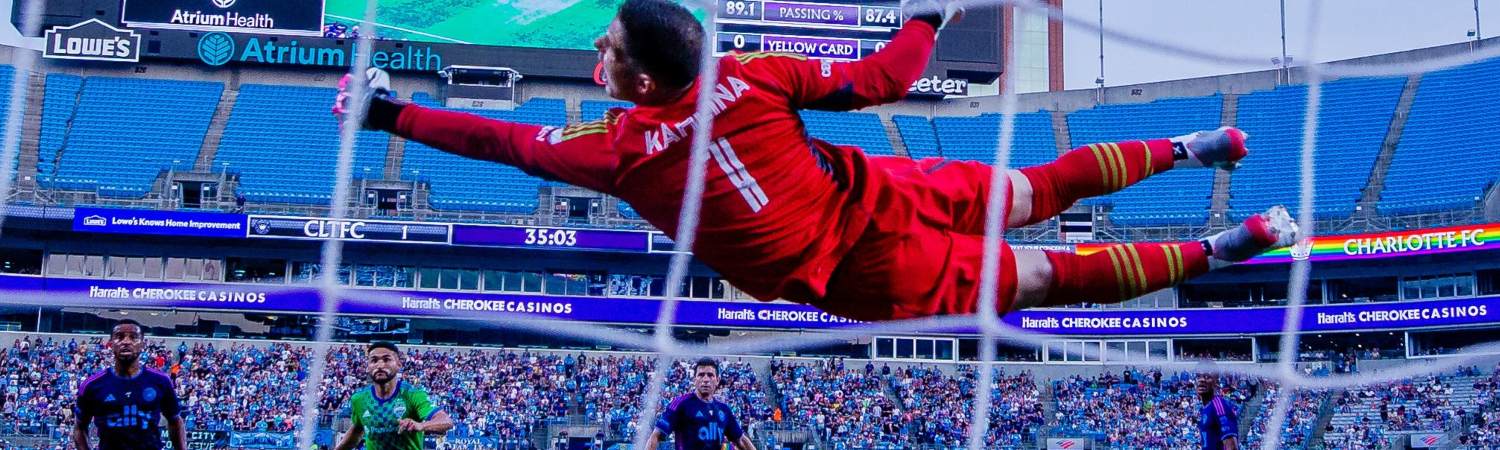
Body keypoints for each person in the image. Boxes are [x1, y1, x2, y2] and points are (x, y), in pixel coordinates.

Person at [334, 0, 1297, 322]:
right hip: (874, 193)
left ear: (638, 79)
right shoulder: (754, 73)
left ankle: (1212, 232)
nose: (596, 61)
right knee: (1030, 194)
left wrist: (385, 112)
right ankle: (1198, 172)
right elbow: (883, 79)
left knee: (1045, 267)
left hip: (858, 266)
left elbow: (502, 142)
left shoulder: (618, 151)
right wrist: (927, 17)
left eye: (608, 54)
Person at [73, 320, 187, 450]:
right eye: (119, 337)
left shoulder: (160, 381)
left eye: (133, 337)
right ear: (110, 344)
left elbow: (175, 421)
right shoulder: (92, 385)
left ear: (142, 344)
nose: (126, 341)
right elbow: (79, 428)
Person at [334, 342, 454, 450]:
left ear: (399, 365)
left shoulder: (412, 394)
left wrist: (420, 425)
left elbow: (446, 421)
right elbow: (357, 430)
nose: (380, 365)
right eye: (374, 360)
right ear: (368, 367)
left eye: (386, 359)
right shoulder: (359, 399)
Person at [644, 358, 757, 450]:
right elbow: (656, 435)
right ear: (695, 379)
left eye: (710, 375)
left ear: (717, 380)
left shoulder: (724, 410)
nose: (706, 379)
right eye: (701, 375)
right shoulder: (681, 404)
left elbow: (741, 440)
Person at [1196, 366, 1239, 450]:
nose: (1201, 380)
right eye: (1198, 376)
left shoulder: (1218, 405)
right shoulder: (1205, 408)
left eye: (1207, 376)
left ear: (1216, 382)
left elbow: (1231, 446)